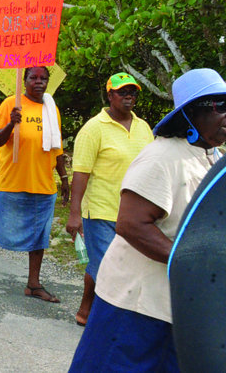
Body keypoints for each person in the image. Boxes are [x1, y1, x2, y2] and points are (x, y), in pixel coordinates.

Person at [70, 68, 226, 372]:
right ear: (191, 113)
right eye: (219, 105)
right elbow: (131, 224)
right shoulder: (162, 157)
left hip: (177, 305)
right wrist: (190, 262)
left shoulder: (214, 159)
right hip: (134, 305)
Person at [65, 73, 153, 326]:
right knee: (108, 268)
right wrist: (74, 214)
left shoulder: (143, 128)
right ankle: (108, 322)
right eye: (122, 92)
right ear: (110, 95)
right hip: (100, 211)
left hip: (132, 214)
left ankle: (85, 311)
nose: (129, 97)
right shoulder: (94, 128)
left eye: (133, 92)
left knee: (111, 265)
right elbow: (81, 173)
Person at [0, 66, 69, 303]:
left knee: (40, 235)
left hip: (42, 182)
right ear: (24, 80)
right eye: (33, 77)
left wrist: (64, 178)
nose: (39, 82)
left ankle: (33, 284)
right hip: (13, 180)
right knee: (0, 228)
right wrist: (11, 123)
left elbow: (57, 147)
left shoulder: (51, 108)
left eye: (43, 78)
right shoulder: (11, 103)